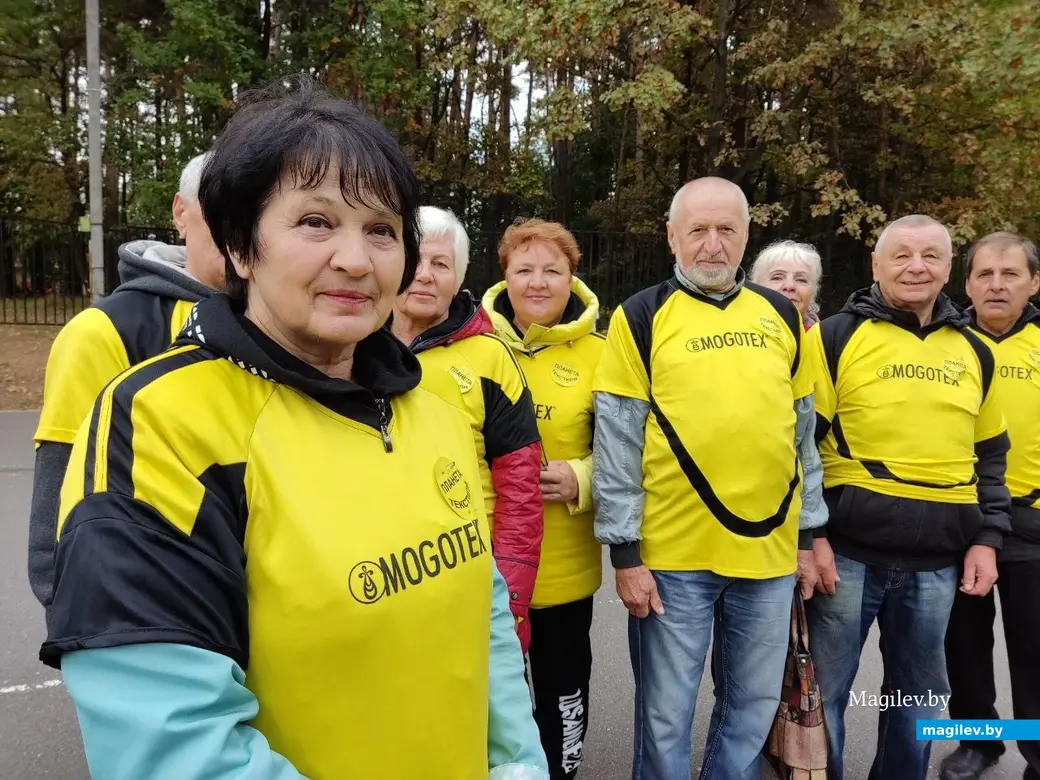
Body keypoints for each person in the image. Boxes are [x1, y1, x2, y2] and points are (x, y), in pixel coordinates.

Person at [39, 78, 548, 780]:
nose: (355, 258)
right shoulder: (160, 423)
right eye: (316, 222)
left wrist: (520, 764)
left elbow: (484, 618)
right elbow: (173, 747)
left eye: (381, 229)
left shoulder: (428, 404)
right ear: (242, 247)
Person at [591, 176, 827, 780]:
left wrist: (805, 537)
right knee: (665, 717)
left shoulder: (781, 314)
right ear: (673, 237)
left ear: (747, 235)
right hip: (673, 559)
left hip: (769, 558)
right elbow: (616, 440)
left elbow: (802, 435)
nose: (713, 244)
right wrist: (625, 554)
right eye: (698, 229)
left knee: (750, 708)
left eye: (727, 229)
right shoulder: (640, 315)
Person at [805, 214, 1012, 780]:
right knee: (825, 699)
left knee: (917, 702)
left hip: (940, 563)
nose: (915, 267)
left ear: (950, 268)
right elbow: (798, 446)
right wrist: (812, 537)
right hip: (844, 557)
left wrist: (988, 540)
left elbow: (990, 459)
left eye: (930, 256)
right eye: (900, 255)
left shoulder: (977, 352)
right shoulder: (834, 337)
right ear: (876, 265)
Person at [27, 151, 224, 615]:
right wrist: (82, 618)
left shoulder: (289, 327)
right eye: (218, 207)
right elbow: (60, 497)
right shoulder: (102, 331)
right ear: (181, 213)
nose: (235, 224)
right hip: (157, 616)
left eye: (251, 207)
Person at [481, 219, 604, 779]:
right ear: (503, 277)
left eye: (552, 271)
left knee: (562, 696)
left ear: (571, 279)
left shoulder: (604, 354)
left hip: (565, 570)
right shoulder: (473, 348)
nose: (538, 283)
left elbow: (640, 450)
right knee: (493, 702)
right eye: (523, 270)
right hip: (484, 569)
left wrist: (584, 476)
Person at [391, 205, 544, 653]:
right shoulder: (345, 347)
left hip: (471, 579)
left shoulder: (491, 358)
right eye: (415, 260)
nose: (424, 275)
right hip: (374, 577)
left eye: (441, 264)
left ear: (458, 279)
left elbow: (520, 492)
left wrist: (509, 597)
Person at [940, 232, 1040, 780]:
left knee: (1034, 652)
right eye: (985, 275)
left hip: (1033, 524)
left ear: (1034, 282)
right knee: (965, 645)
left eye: (1011, 274)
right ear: (968, 283)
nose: (997, 285)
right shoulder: (945, 342)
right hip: (961, 519)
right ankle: (979, 742)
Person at [749, 239, 823, 328]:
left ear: (813, 293)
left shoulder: (825, 339)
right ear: (755, 288)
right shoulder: (737, 332)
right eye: (777, 278)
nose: (789, 286)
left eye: (801, 280)